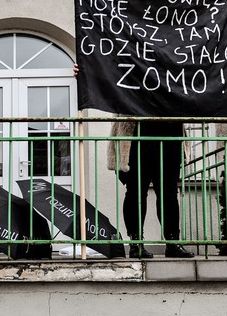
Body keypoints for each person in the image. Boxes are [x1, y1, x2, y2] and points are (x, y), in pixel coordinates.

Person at [74, 64, 193, 259]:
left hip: (170, 139)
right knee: (136, 192)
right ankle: (136, 243)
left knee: (169, 194)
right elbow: (107, 80)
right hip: (136, 140)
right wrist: (86, 74)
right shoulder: (131, 60)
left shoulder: (173, 66)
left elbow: (198, 91)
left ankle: (172, 242)